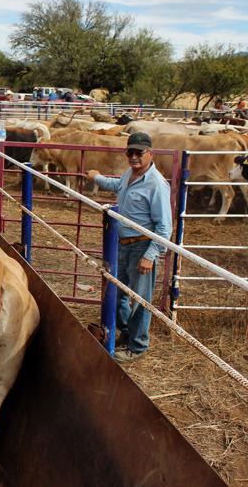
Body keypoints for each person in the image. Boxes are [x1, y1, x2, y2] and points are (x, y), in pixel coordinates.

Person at [86, 132, 172, 364]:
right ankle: (125, 332)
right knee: (119, 294)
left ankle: (138, 345)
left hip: (141, 246)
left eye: (139, 153)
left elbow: (165, 227)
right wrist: (97, 178)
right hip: (122, 245)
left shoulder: (156, 184)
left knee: (140, 299)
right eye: (130, 152)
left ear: (150, 154)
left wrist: (150, 256)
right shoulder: (130, 175)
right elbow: (117, 186)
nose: (134, 157)